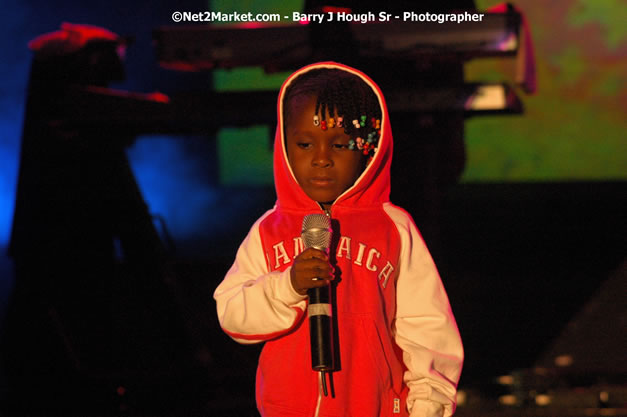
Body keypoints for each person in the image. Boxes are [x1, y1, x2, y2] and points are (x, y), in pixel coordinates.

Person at [214, 62, 463, 417]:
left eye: (340, 144)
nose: (321, 159)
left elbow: (428, 328)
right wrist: (288, 286)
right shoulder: (270, 229)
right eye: (304, 143)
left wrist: (427, 407)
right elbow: (233, 315)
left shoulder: (393, 227)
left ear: (367, 148)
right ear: (284, 146)